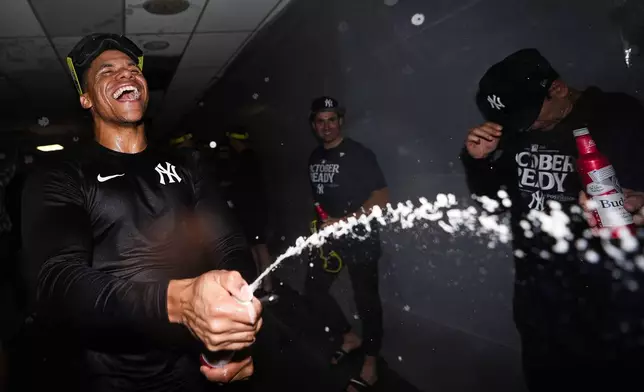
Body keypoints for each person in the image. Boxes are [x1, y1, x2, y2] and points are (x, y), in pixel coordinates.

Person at [21, 33, 262, 392]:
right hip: (105, 378)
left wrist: (232, 329)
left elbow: (230, 245)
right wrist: (179, 302)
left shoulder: (187, 164)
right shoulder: (61, 174)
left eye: (133, 68)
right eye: (107, 71)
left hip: (191, 372)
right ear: (85, 98)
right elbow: (57, 281)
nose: (126, 75)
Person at [461, 48, 644, 390]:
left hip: (606, 304)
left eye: (531, 113)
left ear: (558, 89)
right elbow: (491, 203)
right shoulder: (517, 128)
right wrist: (478, 162)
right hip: (538, 299)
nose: (526, 125)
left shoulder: (619, 116)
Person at [306, 96, 388, 391]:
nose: (326, 126)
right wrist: (321, 223)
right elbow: (321, 199)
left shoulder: (359, 154)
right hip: (331, 240)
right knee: (314, 290)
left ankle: (371, 364)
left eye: (331, 119)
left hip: (360, 238)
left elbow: (381, 200)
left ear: (340, 121)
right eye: (320, 121)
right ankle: (349, 336)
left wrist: (343, 221)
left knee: (367, 301)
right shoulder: (315, 157)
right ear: (314, 125)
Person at [225, 130, 273, 293]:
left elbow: (247, 186)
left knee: (260, 246)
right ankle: (261, 281)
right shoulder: (243, 157)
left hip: (255, 210)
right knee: (254, 246)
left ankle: (268, 285)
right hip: (249, 210)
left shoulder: (248, 158)